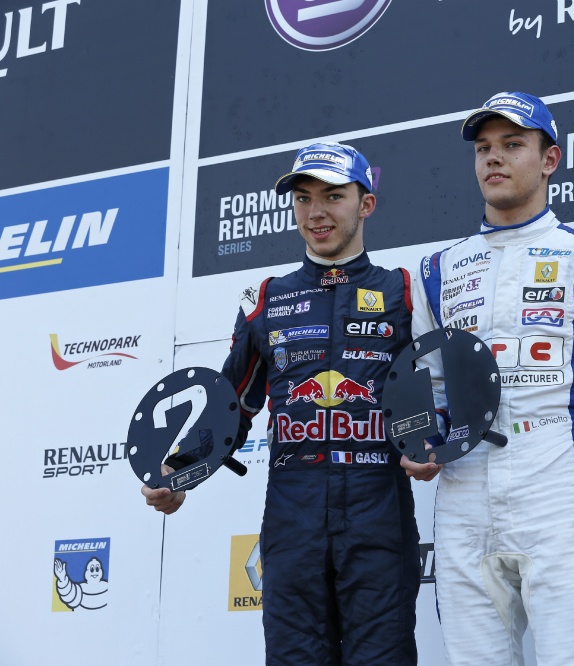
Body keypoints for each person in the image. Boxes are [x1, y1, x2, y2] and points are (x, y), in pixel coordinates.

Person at [402, 91, 574, 665]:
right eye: (484, 149)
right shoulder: (435, 269)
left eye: (513, 145)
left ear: (550, 160)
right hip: (462, 486)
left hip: (554, 478)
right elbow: (428, 388)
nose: (494, 159)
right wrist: (422, 438)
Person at [141, 143, 420, 666]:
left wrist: (431, 447)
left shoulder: (402, 292)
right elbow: (230, 409)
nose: (316, 212)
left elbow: (434, 398)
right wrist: (179, 474)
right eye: (304, 198)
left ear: (366, 204)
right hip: (294, 513)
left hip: (379, 509)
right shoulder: (266, 298)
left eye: (333, 196)